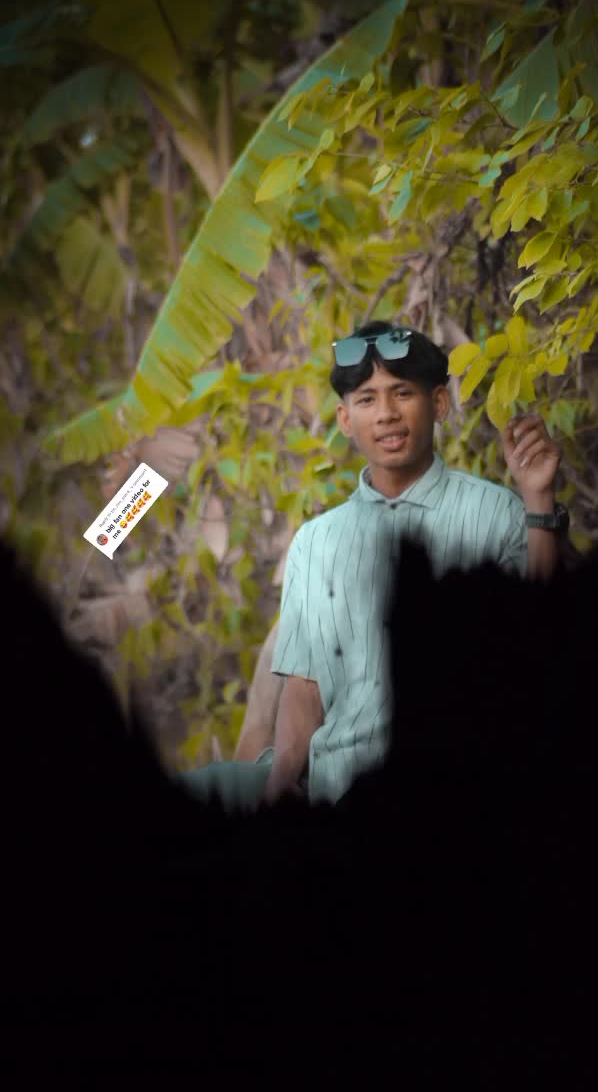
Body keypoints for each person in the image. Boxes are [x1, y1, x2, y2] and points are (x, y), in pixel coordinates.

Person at [179, 319, 566, 812]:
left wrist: (538, 499)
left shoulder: (496, 515)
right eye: (367, 399)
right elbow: (304, 688)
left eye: (402, 393)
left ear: (439, 404)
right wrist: (281, 778)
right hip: (329, 785)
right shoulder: (316, 542)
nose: (386, 414)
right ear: (345, 419)